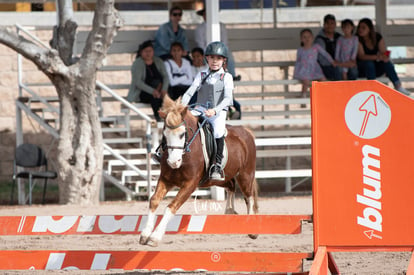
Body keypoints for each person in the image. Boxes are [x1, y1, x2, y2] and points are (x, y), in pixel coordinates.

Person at [181, 41, 234, 181]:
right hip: (200, 108)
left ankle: (216, 164)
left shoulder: (227, 77)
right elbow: (190, 92)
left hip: (218, 110)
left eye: (218, 58)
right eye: (212, 58)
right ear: (207, 59)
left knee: (218, 131)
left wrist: (215, 111)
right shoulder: (202, 74)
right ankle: (164, 150)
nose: (215, 61)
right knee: (181, 122)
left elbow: (228, 99)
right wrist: (180, 107)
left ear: (224, 60)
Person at [356, 17, 410, 95]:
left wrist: (384, 57)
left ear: (370, 29)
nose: (360, 30)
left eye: (363, 27)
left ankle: (398, 86)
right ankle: (373, 88)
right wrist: (377, 57)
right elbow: (362, 56)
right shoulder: (357, 39)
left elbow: (384, 52)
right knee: (369, 63)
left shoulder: (377, 37)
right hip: (362, 69)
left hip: (376, 68)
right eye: (359, 27)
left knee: (387, 63)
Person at [127, 40, 169, 122]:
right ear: (141, 52)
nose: (148, 53)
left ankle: (171, 119)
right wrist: (153, 91)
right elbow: (138, 82)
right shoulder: (137, 63)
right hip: (144, 92)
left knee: (169, 96)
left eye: (150, 51)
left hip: (159, 90)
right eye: (146, 51)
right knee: (155, 99)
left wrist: (164, 90)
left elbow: (165, 76)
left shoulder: (158, 61)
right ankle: (159, 119)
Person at [294, 29, 336, 100]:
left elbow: (325, 54)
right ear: (301, 39)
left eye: (309, 37)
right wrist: (296, 72)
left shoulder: (316, 47)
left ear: (312, 38)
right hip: (304, 69)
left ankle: (324, 95)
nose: (307, 39)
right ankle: (303, 95)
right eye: (304, 37)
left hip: (314, 68)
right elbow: (298, 61)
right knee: (306, 81)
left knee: (323, 79)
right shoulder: (300, 50)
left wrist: (332, 61)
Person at [314, 14, 342, 81]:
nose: (330, 26)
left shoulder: (339, 37)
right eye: (327, 23)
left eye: (332, 23)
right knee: (336, 71)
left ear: (335, 24)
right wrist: (333, 63)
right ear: (324, 24)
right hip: (325, 66)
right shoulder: (319, 39)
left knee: (353, 71)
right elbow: (321, 58)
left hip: (340, 64)